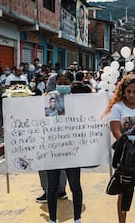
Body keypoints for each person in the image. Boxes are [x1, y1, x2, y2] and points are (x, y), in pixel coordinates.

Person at [103, 74, 135, 223]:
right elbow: (117, 132)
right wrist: (134, 153)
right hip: (125, 151)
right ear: (123, 91)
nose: (131, 95)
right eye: (128, 91)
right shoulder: (117, 108)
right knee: (124, 191)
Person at [46, 70, 83, 223]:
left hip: (71, 149)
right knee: (52, 186)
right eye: (60, 83)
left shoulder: (79, 101)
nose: (62, 86)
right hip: (52, 148)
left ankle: (77, 218)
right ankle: (53, 219)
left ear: (71, 84)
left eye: (66, 83)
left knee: (75, 185)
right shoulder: (48, 99)